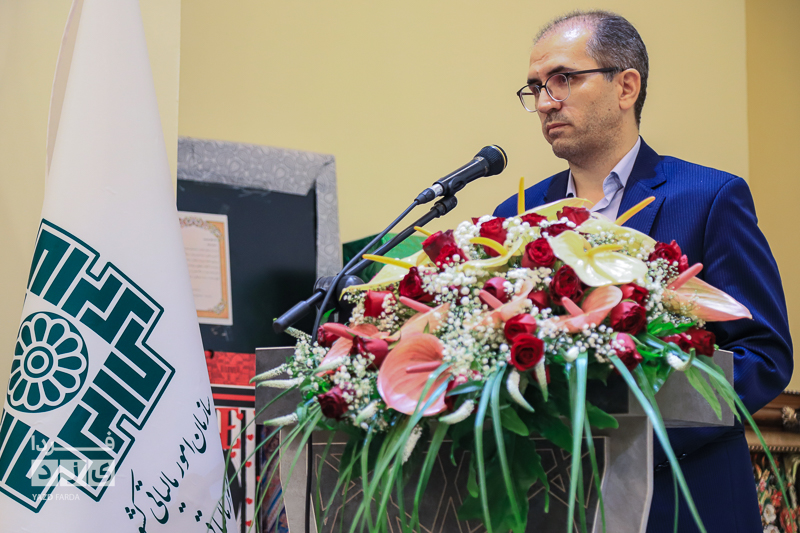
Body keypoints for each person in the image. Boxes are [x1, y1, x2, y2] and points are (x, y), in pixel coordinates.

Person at [494, 10, 793, 533]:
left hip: (683, 499)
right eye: (536, 87)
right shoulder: (515, 216)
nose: (544, 102)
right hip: (553, 503)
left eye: (563, 79)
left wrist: (630, 420)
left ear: (626, 86)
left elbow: (763, 355)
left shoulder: (709, 198)